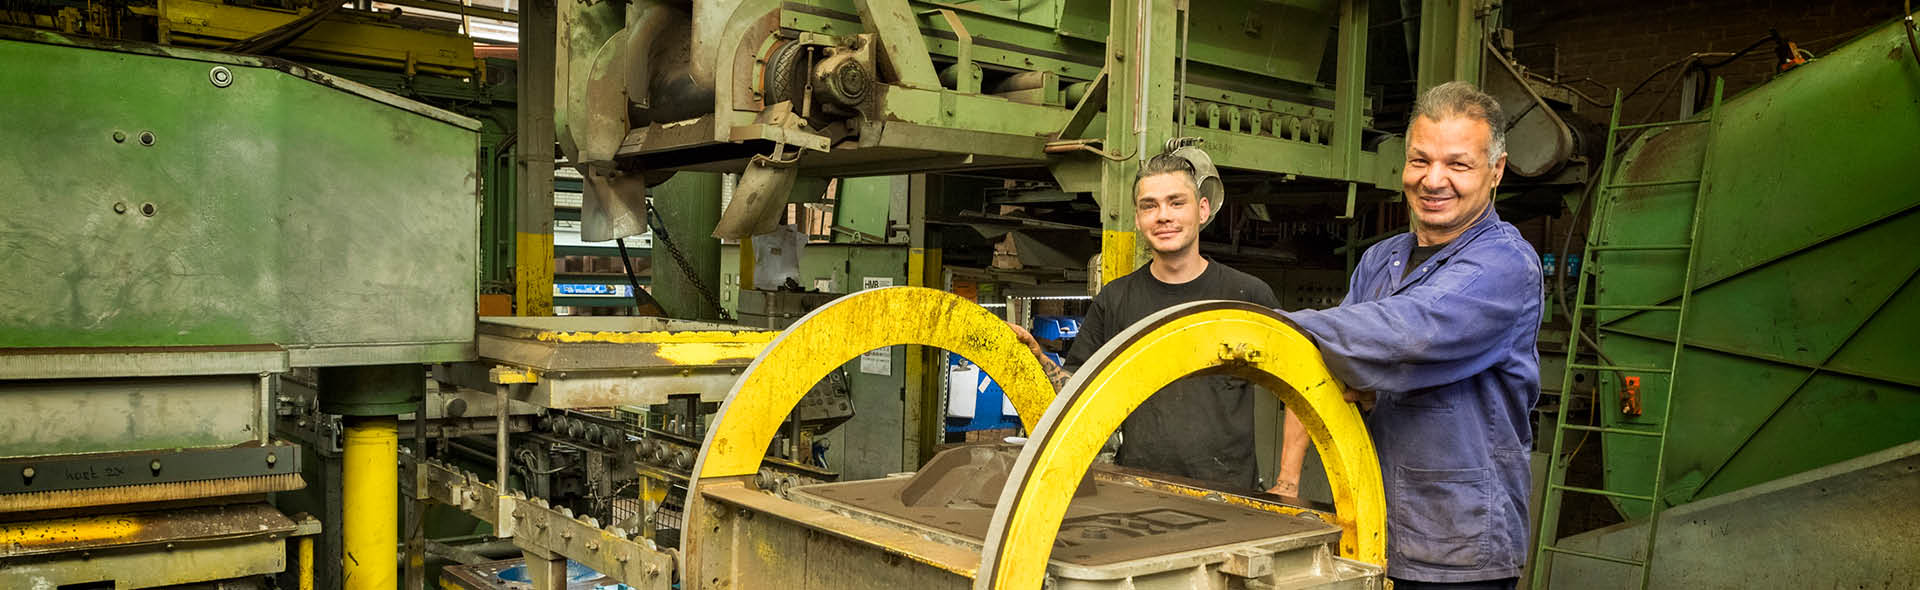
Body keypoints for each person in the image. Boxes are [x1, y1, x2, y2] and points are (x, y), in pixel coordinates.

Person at [1280, 81, 1541, 588]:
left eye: (1458, 165)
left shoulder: (1505, 265)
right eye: (1420, 160)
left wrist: (1268, 324)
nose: (1433, 180)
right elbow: (1336, 362)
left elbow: (1408, 332)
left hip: (1459, 549)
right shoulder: (1382, 259)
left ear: (1496, 171)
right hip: (1373, 532)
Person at [1010, 149, 1286, 492]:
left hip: (1227, 497)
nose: (1163, 216)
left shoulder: (1246, 295)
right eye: (1150, 206)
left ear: (1202, 210)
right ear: (1138, 219)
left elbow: (1302, 388)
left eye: (1176, 202)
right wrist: (1038, 359)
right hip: (1138, 492)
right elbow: (1077, 392)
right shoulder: (1115, 300)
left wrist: (1288, 480)